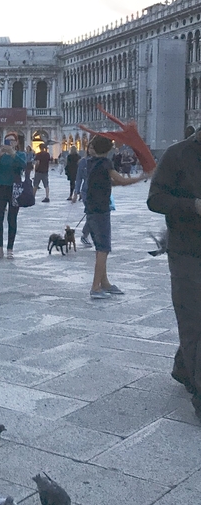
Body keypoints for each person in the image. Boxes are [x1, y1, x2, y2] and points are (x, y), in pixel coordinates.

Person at [148, 127, 201, 417]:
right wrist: (193, 206)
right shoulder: (177, 154)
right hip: (186, 249)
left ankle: (184, 367)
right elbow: (155, 198)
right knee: (192, 316)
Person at [72, 135, 146, 298]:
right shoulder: (106, 163)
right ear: (108, 149)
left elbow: (108, 181)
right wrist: (141, 177)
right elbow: (120, 180)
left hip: (92, 209)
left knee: (100, 247)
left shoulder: (90, 162)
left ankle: (104, 283)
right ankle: (95, 287)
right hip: (101, 210)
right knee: (103, 249)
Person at [0, 133, 27, 260]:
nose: (9, 143)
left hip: (15, 188)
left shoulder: (20, 154)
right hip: (0, 187)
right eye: (7, 141)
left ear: (16, 142)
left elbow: (24, 165)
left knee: (12, 218)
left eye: (12, 141)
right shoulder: (1, 155)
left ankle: (10, 249)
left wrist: (13, 153)